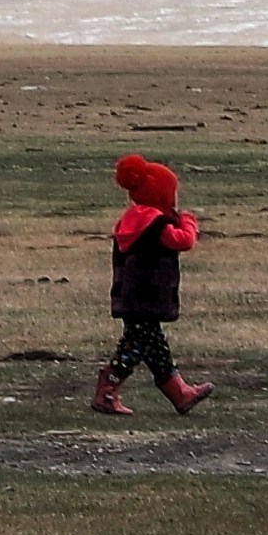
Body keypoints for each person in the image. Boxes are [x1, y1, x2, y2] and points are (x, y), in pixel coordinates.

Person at [95, 152, 209, 417]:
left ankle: (180, 394)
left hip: (130, 294)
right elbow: (183, 241)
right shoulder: (156, 223)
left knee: (154, 345)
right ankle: (107, 392)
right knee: (135, 346)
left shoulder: (132, 219)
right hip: (148, 295)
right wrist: (189, 221)